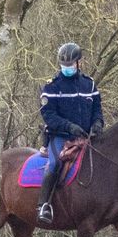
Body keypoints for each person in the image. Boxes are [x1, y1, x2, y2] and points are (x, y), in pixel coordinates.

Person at [37, 42, 102, 224]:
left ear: (78, 63)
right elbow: (48, 115)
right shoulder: (52, 87)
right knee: (55, 163)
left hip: (87, 137)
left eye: (70, 65)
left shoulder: (89, 85)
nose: (67, 68)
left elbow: (97, 110)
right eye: (64, 66)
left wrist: (97, 123)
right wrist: (69, 126)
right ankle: (44, 205)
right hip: (60, 136)